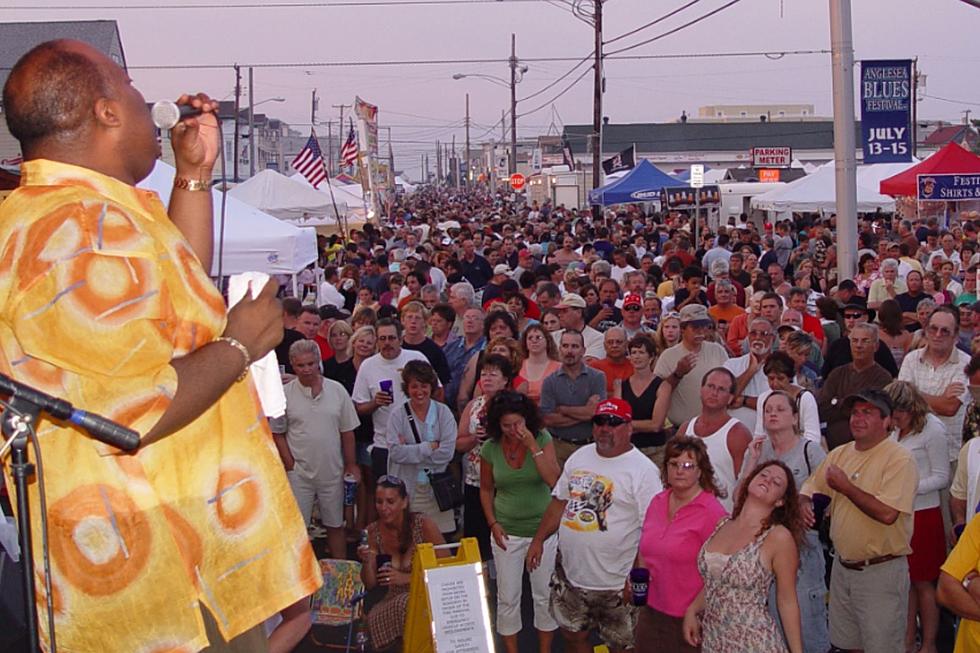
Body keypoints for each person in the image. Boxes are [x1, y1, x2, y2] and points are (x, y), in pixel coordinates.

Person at [0, 40, 321, 651]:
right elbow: (127, 412)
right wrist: (238, 346)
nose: (155, 110)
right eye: (134, 94)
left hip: (181, 544)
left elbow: (169, 320)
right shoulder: (62, 232)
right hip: (153, 566)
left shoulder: (91, 213)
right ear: (106, 112)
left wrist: (195, 174)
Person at [527, 399, 663, 653]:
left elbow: (652, 532)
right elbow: (559, 502)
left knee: (624, 646)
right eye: (599, 421)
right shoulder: (579, 457)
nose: (604, 428)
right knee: (572, 636)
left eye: (613, 423)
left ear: (629, 427)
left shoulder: (644, 471)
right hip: (572, 577)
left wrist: (638, 577)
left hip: (616, 583)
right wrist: (538, 540)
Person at [800, 389, 919, 653]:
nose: (858, 418)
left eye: (868, 412)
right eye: (855, 412)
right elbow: (811, 487)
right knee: (847, 645)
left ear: (887, 420)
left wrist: (846, 488)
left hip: (880, 572)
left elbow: (888, 514)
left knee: (882, 647)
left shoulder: (900, 458)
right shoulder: (840, 454)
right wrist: (805, 502)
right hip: (843, 568)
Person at [682, 460, 805, 653]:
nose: (768, 480)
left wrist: (797, 651)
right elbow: (718, 583)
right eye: (763, 474)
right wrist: (692, 609)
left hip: (754, 640)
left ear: (780, 501)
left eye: (777, 482)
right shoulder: (723, 524)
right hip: (715, 639)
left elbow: (787, 600)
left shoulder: (778, 537)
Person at [740, 392, 830, 653]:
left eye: (780, 409)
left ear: (794, 417)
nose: (773, 413)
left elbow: (829, 493)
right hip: (761, 549)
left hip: (802, 550)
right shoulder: (758, 449)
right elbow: (739, 498)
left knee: (805, 621)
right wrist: (752, 462)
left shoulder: (809, 450)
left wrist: (808, 503)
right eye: (767, 409)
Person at [480, 391, 562, 653]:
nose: (514, 430)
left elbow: (555, 482)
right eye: (507, 425)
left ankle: (545, 651)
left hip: (543, 531)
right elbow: (485, 489)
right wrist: (493, 523)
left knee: (543, 596)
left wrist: (532, 447)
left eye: (518, 423)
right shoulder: (489, 448)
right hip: (507, 532)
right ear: (497, 425)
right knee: (507, 597)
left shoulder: (541, 438)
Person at [635, 437, 728, 653]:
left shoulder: (712, 512)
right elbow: (644, 549)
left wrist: (695, 611)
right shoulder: (657, 501)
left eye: (688, 465)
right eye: (674, 464)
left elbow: (721, 572)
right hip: (651, 610)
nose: (679, 471)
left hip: (688, 617)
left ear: (701, 471)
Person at [273, 339, 361, 558]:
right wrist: (290, 464)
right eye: (301, 365)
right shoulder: (284, 393)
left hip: (332, 471)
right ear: (292, 365)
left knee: (335, 525)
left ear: (318, 362)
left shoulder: (337, 390)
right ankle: (299, 581)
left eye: (311, 364)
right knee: (297, 530)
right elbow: (277, 432)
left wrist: (350, 464)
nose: (307, 370)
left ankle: (341, 580)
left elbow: (347, 432)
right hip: (299, 474)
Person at [884, 381, 949, 653]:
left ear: (911, 408)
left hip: (924, 514)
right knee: (906, 582)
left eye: (898, 413)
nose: (894, 419)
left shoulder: (933, 430)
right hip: (901, 516)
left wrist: (908, 489)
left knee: (924, 583)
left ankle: (930, 644)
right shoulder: (894, 432)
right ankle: (908, 640)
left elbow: (942, 476)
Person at [357, 476, 446, 651]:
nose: (384, 508)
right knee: (394, 608)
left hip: (428, 593)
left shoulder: (423, 525)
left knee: (406, 604)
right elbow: (370, 583)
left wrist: (407, 578)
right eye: (379, 502)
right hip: (392, 597)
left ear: (404, 502)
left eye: (390, 502)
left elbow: (447, 569)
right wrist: (367, 561)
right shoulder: (373, 531)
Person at [385, 360, 458, 536]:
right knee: (410, 540)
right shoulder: (397, 414)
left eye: (424, 386)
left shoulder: (443, 413)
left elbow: (447, 453)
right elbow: (395, 453)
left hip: (437, 491)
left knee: (441, 542)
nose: (419, 392)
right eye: (414, 386)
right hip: (409, 489)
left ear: (431, 387)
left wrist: (410, 450)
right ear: (407, 388)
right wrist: (429, 447)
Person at [352, 318, 431, 478]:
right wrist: (376, 403)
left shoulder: (416, 358)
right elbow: (359, 407)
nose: (387, 343)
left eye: (391, 338)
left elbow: (438, 393)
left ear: (400, 339)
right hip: (384, 445)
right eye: (382, 339)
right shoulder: (368, 366)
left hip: (417, 442)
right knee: (387, 498)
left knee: (419, 498)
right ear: (376, 341)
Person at [457, 354, 518, 559]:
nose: (487, 378)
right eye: (483, 374)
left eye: (493, 374)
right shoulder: (473, 406)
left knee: (505, 536)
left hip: (504, 482)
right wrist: (475, 438)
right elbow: (459, 443)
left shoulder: (514, 406)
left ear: (505, 380)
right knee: (476, 537)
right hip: (475, 479)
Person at [899, 305, 971, 465]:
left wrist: (915, 394)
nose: (938, 335)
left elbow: (950, 408)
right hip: (911, 452)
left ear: (955, 336)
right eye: (933, 329)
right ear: (925, 330)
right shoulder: (911, 359)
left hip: (950, 454)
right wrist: (940, 399)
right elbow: (902, 402)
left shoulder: (966, 364)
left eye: (945, 331)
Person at [675, 368, 753, 511]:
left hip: (721, 519)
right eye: (710, 386)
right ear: (701, 389)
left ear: (730, 397)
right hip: (685, 516)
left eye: (721, 389)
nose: (714, 393)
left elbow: (745, 484)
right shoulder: (685, 429)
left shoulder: (738, 434)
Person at [818, 322, 894, 449]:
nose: (858, 345)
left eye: (865, 341)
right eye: (854, 341)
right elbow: (822, 409)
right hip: (833, 447)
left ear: (876, 346)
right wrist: (851, 404)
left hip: (868, 447)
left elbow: (873, 415)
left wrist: (837, 402)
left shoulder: (883, 378)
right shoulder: (837, 373)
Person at [653, 304, 730, 428]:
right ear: (683, 329)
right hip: (681, 428)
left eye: (704, 326)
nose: (701, 331)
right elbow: (657, 392)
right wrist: (678, 374)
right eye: (695, 327)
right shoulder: (668, 356)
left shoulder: (717, 350)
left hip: (715, 426)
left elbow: (729, 385)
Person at [540, 329, 608, 468]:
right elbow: (547, 419)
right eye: (565, 346)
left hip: (589, 446)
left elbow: (598, 414)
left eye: (574, 346)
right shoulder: (549, 381)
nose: (569, 351)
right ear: (560, 349)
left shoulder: (597, 377)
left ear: (583, 350)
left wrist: (563, 409)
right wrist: (586, 412)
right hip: (558, 448)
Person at [618, 334, 668, 466]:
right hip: (627, 450)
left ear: (651, 357)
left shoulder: (663, 385)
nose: (637, 356)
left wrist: (627, 424)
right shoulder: (620, 386)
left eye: (641, 352)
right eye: (633, 352)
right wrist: (642, 425)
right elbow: (617, 421)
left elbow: (656, 425)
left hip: (655, 451)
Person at [754, 351, 822, 445]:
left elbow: (813, 436)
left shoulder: (805, 398)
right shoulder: (763, 398)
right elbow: (760, 433)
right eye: (771, 378)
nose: (775, 383)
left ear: (790, 378)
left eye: (781, 378)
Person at [520, 323, 561, 405]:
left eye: (538, 337)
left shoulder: (559, 368)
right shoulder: (517, 366)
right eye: (530, 338)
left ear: (547, 341)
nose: (534, 341)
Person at [589, 327, 634, 396]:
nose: (614, 345)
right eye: (610, 342)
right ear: (604, 345)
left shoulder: (635, 367)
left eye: (619, 342)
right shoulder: (593, 368)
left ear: (627, 344)